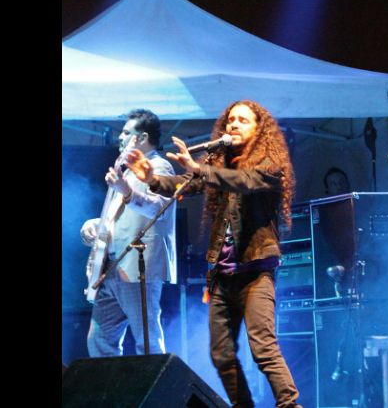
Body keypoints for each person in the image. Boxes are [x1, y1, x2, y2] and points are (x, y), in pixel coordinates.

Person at [127, 100, 302, 408]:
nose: (234, 124)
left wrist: (202, 170)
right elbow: (183, 184)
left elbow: (245, 181)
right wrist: (151, 178)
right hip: (222, 277)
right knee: (221, 354)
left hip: (255, 273)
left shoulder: (270, 166)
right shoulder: (218, 164)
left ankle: (290, 405)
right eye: (231, 119)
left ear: (259, 129)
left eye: (243, 120)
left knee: (263, 348)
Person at [80, 109, 177, 357]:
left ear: (142, 138)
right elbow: (122, 217)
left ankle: (155, 383)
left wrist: (126, 191)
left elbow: (160, 208)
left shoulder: (159, 166)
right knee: (100, 341)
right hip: (111, 266)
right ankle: (108, 384)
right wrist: (95, 224)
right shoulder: (126, 170)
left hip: (138, 268)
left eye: (126, 132)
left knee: (147, 340)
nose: (120, 137)